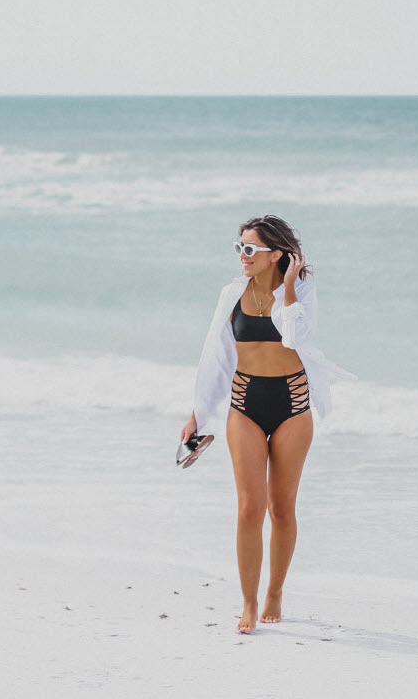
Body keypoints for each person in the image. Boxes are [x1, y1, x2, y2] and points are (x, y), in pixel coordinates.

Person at [180, 215, 352, 634]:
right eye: (239, 247)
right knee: (248, 508)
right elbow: (216, 355)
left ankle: (275, 591)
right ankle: (249, 602)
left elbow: (295, 338)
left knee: (281, 507)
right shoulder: (231, 294)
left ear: (276, 254)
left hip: (293, 403)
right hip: (244, 403)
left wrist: (289, 288)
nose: (243, 255)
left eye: (251, 249)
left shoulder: (304, 293)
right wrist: (199, 414)